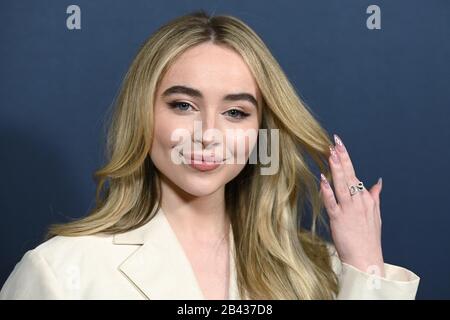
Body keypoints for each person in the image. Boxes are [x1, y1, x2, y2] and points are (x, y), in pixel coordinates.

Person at [0, 10, 419, 300]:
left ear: (260, 135)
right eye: (183, 105)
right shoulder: (58, 272)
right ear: (144, 115)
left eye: (236, 112)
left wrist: (366, 268)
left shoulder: (322, 272)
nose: (208, 135)